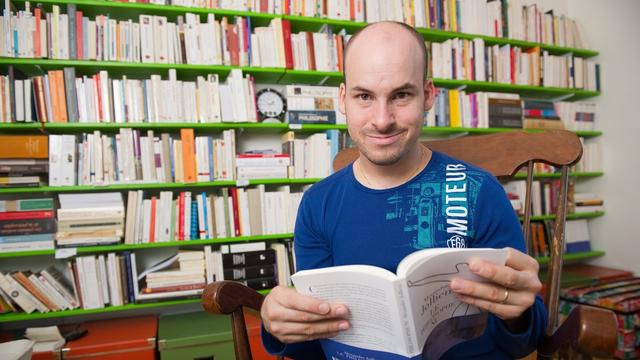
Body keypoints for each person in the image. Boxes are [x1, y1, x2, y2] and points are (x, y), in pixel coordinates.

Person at [260, 21, 547, 359]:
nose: (382, 120)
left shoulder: (479, 192)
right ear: (343, 99)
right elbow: (314, 349)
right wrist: (278, 324)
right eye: (364, 96)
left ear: (428, 95)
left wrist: (520, 314)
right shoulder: (317, 204)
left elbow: (524, 341)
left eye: (401, 95)